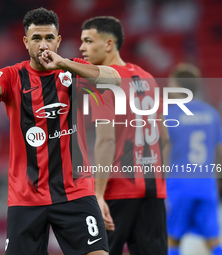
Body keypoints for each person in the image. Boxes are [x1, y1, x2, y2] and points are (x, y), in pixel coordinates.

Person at [0, 8, 121, 255]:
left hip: (75, 192)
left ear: (58, 40)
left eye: (49, 38)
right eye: (36, 38)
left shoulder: (73, 70)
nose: (43, 44)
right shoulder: (14, 75)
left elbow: (114, 78)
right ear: (26, 42)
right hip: (27, 197)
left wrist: (64, 63)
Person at [79, 16, 169, 255]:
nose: (81, 48)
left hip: (118, 188)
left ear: (108, 44)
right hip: (153, 190)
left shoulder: (106, 82)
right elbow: (165, 137)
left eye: (88, 41)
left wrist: (98, 194)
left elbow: (106, 139)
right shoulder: (148, 78)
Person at [164, 63, 222, 255]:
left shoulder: (171, 115)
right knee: (213, 239)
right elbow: (219, 152)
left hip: (179, 185)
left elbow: (165, 151)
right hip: (207, 184)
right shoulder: (211, 114)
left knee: (172, 237)